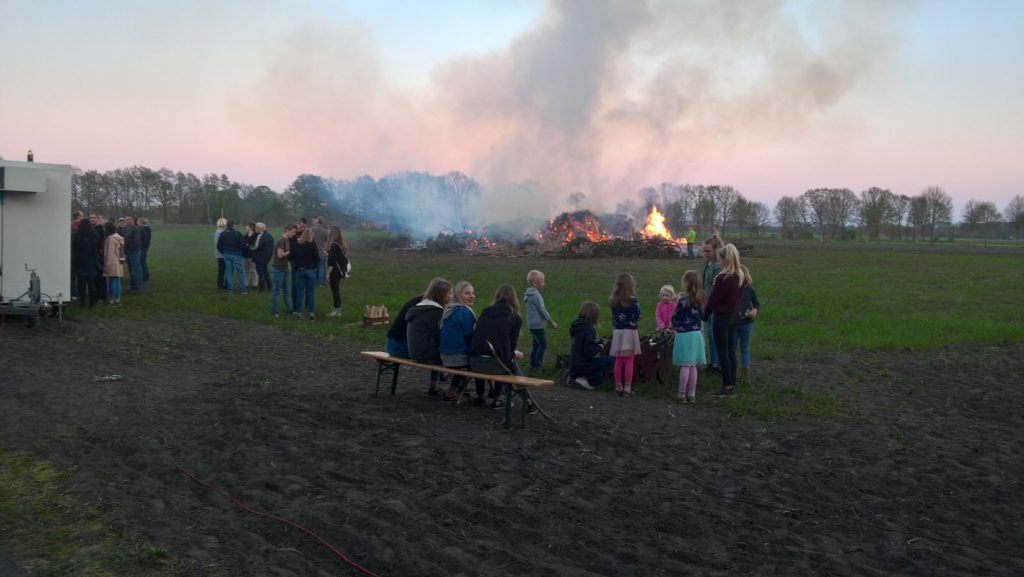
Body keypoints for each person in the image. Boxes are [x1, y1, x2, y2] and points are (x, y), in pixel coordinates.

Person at [469, 284, 529, 411]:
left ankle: (480, 396)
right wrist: (515, 354)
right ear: (514, 299)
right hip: (495, 364)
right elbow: (510, 348)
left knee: (487, 354)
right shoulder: (514, 317)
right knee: (505, 362)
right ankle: (498, 399)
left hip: (474, 362)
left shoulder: (485, 312)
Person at [702, 244, 745, 397]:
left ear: (724, 259)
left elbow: (713, 300)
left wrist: (704, 315)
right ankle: (732, 383)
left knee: (723, 353)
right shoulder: (739, 275)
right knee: (731, 351)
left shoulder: (722, 278)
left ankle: (727, 387)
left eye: (720, 258)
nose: (718, 261)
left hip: (722, 318)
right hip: (734, 317)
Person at [406, 277, 454, 396]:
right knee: (459, 358)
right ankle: (454, 391)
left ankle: (441, 377)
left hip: (414, 352)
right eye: (450, 293)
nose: (453, 296)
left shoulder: (421, 308)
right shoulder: (435, 313)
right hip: (425, 354)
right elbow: (440, 337)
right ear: (442, 296)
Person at [440, 281, 482, 403]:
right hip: (456, 355)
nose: (472, 296)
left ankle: (459, 390)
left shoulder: (450, 309)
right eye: (467, 293)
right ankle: (453, 393)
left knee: (465, 361)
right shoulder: (464, 312)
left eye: (473, 293)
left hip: (445, 354)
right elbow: (469, 336)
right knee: (478, 361)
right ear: (458, 295)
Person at [672, 271, 706, 402]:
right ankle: (692, 394)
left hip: (684, 335)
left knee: (685, 366)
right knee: (693, 366)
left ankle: (681, 394)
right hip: (696, 335)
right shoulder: (701, 300)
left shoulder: (682, 301)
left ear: (686, 283)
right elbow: (703, 316)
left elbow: (675, 317)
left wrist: (675, 325)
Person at [609, 273, 641, 397]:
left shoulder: (613, 300)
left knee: (618, 360)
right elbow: (638, 316)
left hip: (617, 332)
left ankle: (618, 386)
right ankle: (627, 388)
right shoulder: (632, 300)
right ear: (630, 285)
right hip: (629, 332)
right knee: (629, 361)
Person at [569, 301, 613, 390]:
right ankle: (581, 382)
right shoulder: (589, 329)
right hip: (583, 364)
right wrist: (600, 346)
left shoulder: (575, 327)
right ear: (594, 315)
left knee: (598, 374)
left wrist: (597, 343)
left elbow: (583, 345)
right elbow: (589, 351)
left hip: (573, 364)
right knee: (610, 360)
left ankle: (575, 377)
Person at [524, 269, 558, 371]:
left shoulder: (528, 294)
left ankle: (533, 364)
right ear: (535, 283)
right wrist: (551, 321)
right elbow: (542, 310)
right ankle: (537, 366)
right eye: (542, 281)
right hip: (537, 325)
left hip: (531, 324)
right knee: (543, 344)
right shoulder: (536, 295)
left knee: (536, 344)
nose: (544, 283)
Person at [701, 235, 725, 371]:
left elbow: (717, 288)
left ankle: (719, 364)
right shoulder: (706, 263)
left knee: (714, 333)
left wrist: (710, 302)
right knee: (710, 333)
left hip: (715, 304)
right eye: (704, 251)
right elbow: (704, 283)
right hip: (706, 302)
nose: (706, 253)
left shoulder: (718, 266)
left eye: (708, 251)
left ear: (716, 250)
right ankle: (713, 362)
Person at [736, 264, 761, 383]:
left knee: (745, 348)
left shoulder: (750, 290)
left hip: (747, 324)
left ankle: (745, 374)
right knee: (732, 348)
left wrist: (755, 310)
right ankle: (731, 372)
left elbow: (757, 304)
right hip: (734, 323)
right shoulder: (732, 290)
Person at [290, 229, 320, 320]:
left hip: (300, 271)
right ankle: (311, 314)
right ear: (310, 236)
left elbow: (290, 257)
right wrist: (314, 266)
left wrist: (295, 264)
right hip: (310, 271)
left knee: (299, 293)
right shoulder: (312, 245)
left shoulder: (296, 245)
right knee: (310, 293)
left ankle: (298, 313)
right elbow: (317, 259)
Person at [71, 219, 101, 307]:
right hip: (92, 261)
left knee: (81, 284)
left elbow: (74, 249)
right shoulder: (95, 235)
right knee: (92, 284)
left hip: (80, 262)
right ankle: (92, 302)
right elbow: (98, 247)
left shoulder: (76, 236)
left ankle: (82, 303)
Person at [217, 219, 248, 294]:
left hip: (226, 254)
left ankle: (230, 289)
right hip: (236, 254)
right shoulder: (238, 234)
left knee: (229, 272)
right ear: (234, 225)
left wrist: (223, 252)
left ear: (227, 225)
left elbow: (218, 245)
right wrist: (241, 252)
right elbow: (243, 245)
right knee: (240, 272)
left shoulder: (222, 233)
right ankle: (243, 290)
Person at [270, 224, 294, 317]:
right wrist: (290, 252)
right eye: (292, 231)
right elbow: (280, 255)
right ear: (287, 230)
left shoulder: (287, 241)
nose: (293, 233)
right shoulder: (281, 241)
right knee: (276, 291)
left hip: (284, 268)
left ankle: (289, 309)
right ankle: (274, 311)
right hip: (278, 268)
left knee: (286, 290)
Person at [325, 225, 349, 317]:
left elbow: (332, 261)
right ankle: (337, 309)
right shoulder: (340, 243)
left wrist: (327, 273)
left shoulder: (334, 245)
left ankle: (336, 310)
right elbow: (337, 257)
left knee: (335, 290)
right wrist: (328, 253)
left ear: (332, 233)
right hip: (340, 270)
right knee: (336, 289)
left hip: (334, 271)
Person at [102, 221, 124, 305]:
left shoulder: (110, 239)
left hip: (112, 262)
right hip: (118, 261)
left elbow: (109, 254)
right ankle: (117, 298)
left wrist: (107, 265)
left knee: (112, 281)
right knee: (117, 280)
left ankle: (112, 299)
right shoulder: (118, 237)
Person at [122, 215, 143, 295]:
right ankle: (132, 287)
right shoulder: (126, 229)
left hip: (134, 252)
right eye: (126, 219)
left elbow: (137, 242)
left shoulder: (136, 229)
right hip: (128, 252)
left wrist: (129, 249)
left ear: (133, 220)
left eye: (129, 219)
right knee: (130, 270)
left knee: (134, 270)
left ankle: (136, 288)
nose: (128, 221)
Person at [251, 222, 273, 292]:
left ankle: (262, 288)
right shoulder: (269, 235)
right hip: (267, 257)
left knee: (260, 273)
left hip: (259, 257)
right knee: (265, 272)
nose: (255, 229)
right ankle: (270, 286)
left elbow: (256, 247)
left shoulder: (260, 236)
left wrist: (249, 247)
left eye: (256, 227)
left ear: (260, 228)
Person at [312, 217, 329, 285]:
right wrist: (324, 249)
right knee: (321, 267)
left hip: (314, 251)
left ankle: (315, 281)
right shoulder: (326, 231)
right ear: (323, 223)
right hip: (322, 252)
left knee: (315, 267)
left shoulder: (311, 230)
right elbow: (327, 242)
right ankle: (321, 282)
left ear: (317, 222)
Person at [214, 218, 227, 289]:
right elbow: (218, 245)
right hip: (221, 254)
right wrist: (224, 252)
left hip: (219, 254)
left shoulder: (218, 231)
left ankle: (220, 284)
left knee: (222, 270)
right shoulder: (220, 233)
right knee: (223, 270)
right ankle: (221, 285)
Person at [139, 216, 152, 282]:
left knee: (143, 263)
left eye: (138, 222)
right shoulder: (147, 228)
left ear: (141, 222)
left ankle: (145, 277)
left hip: (143, 248)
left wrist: (145, 248)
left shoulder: (144, 229)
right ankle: (145, 276)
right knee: (143, 262)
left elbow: (145, 240)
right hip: (145, 247)